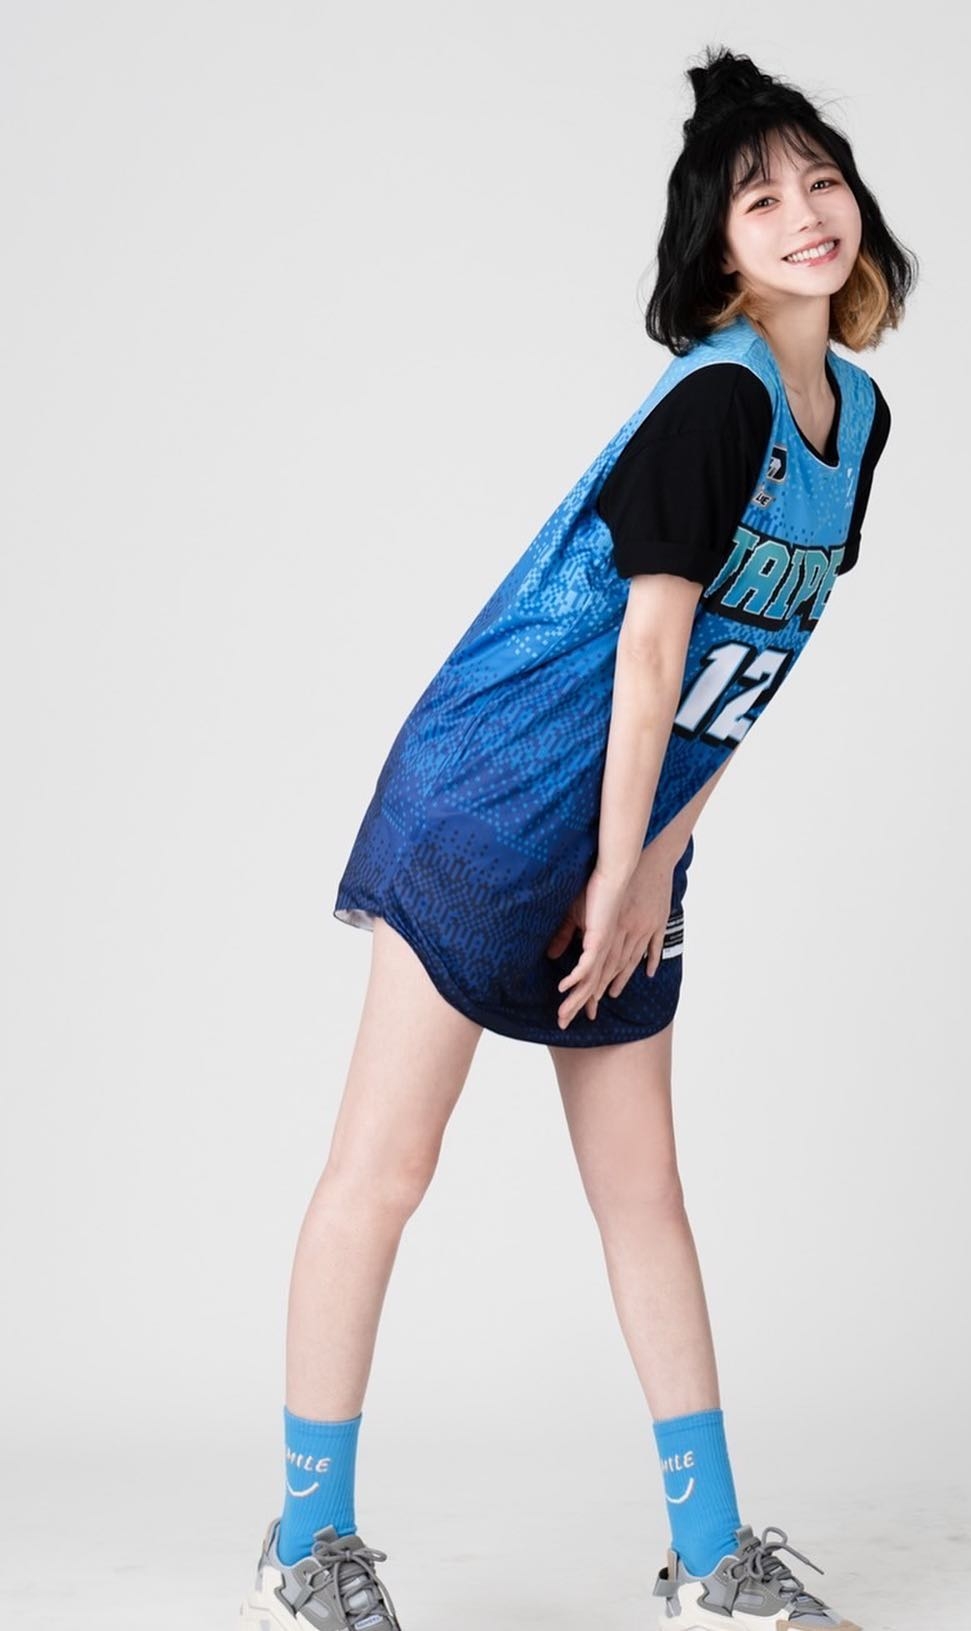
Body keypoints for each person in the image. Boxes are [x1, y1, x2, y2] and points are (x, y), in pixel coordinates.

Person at [236, 43, 915, 1631]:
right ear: (718, 248)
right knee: (386, 1170)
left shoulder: (859, 416)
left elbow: (751, 673)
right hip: (493, 802)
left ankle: (710, 1559)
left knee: (642, 1190)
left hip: (630, 821)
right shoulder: (719, 401)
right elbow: (649, 650)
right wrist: (614, 866)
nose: (804, 214)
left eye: (820, 181)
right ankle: (306, 1541)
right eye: (760, 200)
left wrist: (656, 858)